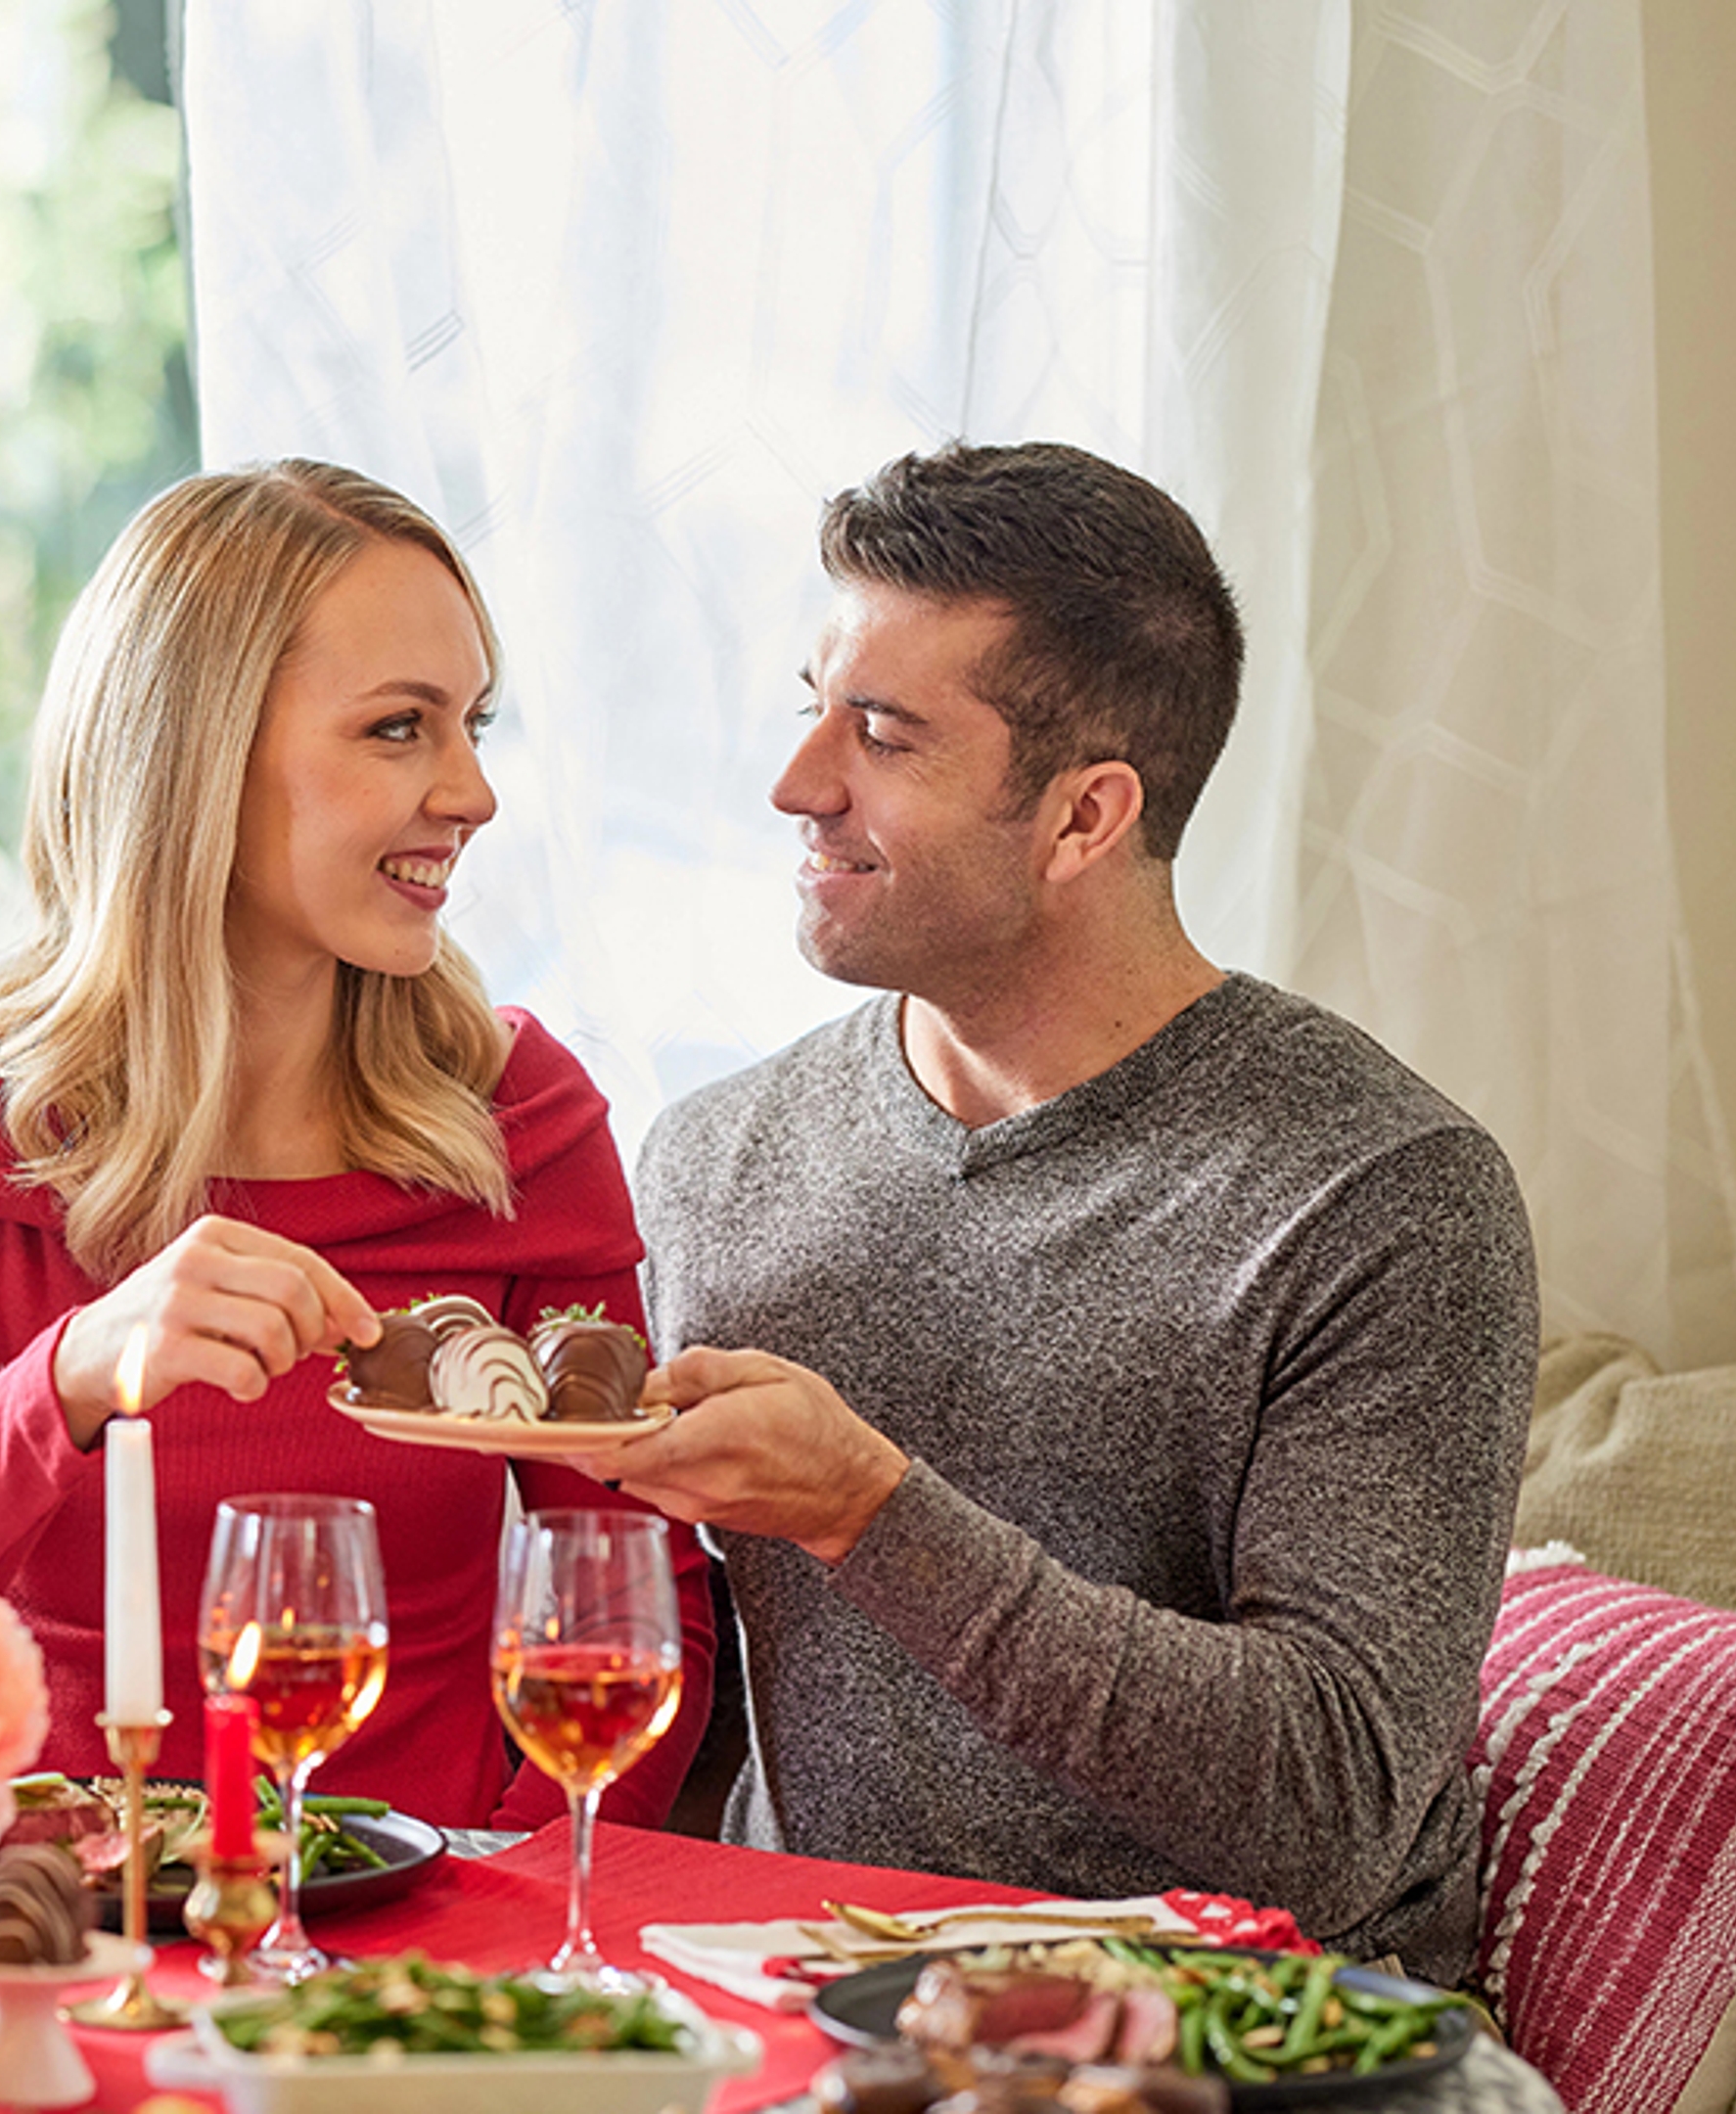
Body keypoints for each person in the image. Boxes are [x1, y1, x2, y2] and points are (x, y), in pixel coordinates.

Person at [586, 441, 1535, 1982]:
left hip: (1246, 2047)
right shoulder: (717, 1158)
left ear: (1087, 817)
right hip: (804, 2019)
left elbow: (1334, 1807)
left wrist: (867, 1512)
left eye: (883, 735)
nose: (797, 784)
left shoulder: (1381, 1198)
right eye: (812, 704)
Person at [0, 459, 713, 1831]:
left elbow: (640, 1610)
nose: (473, 792)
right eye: (400, 728)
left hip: (438, 1939)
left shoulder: (514, 1116)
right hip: (54, 1923)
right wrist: (72, 1377)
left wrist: (505, 1903)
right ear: (196, 755)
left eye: (473, 726)